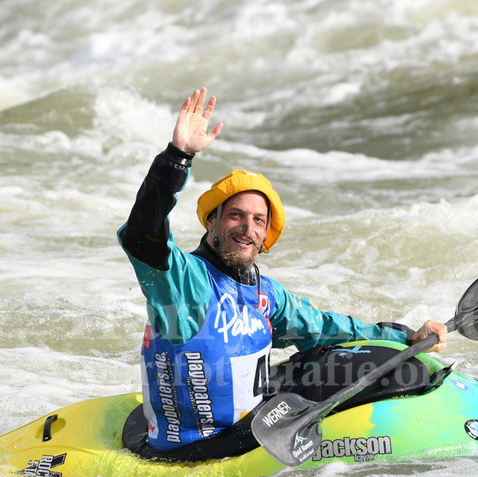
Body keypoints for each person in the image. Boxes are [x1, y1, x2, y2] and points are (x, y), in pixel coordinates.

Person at [118, 87, 447, 457]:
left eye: (259, 221)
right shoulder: (184, 282)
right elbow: (143, 236)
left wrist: (404, 337)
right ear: (212, 222)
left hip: (246, 425)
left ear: (266, 234)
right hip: (198, 449)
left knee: (338, 359)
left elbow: (323, 328)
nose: (247, 228)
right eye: (236, 216)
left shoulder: (264, 293)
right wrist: (178, 157)